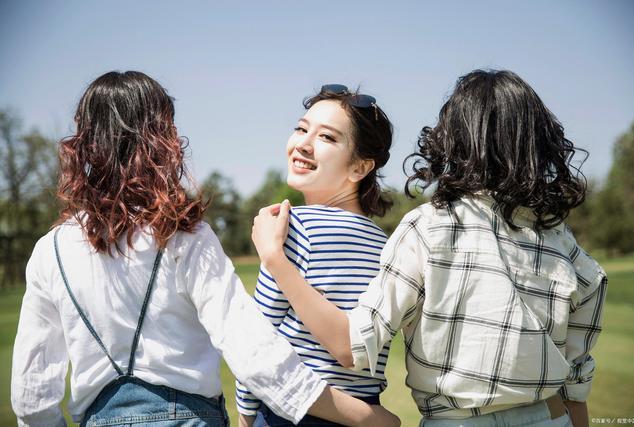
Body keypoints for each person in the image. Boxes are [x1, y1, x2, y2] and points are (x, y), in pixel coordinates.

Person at [10, 71, 400, 427]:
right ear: (161, 141)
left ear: (84, 143)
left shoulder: (51, 250)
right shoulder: (182, 233)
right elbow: (250, 346)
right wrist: (367, 416)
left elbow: (32, 396)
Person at [251, 70, 607, 427]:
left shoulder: (428, 228)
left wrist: (274, 258)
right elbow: (575, 386)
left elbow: (353, 346)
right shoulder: (565, 245)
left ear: (454, 139)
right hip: (551, 416)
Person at [236, 85, 396, 427]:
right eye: (301, 128)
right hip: (363, 408)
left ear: (359, 167)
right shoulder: (387, 245)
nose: (303, 144)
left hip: (290, 413)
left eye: (327, 137)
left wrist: (245, 414)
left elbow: (257, 337)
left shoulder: (290, 228)